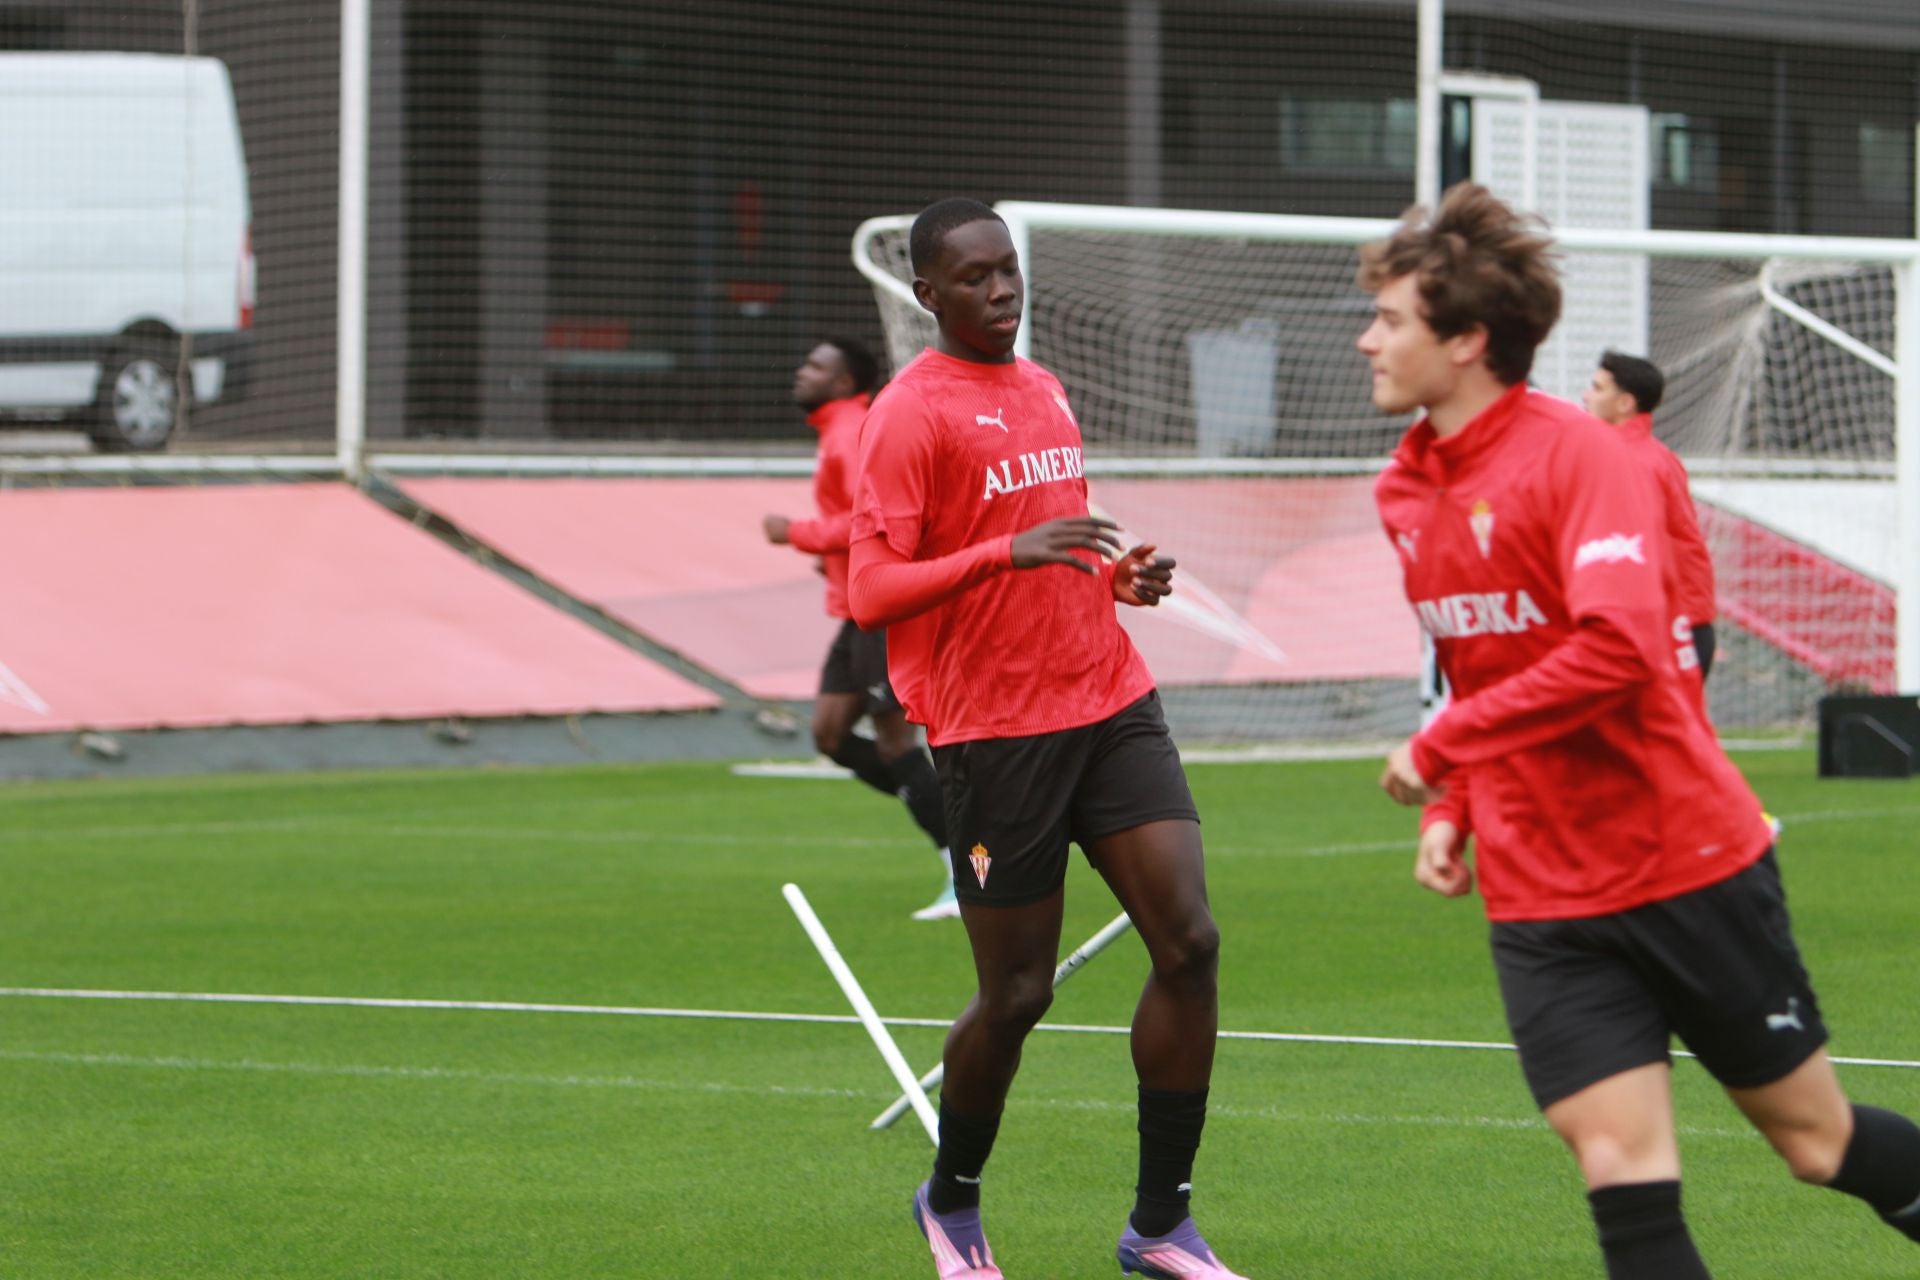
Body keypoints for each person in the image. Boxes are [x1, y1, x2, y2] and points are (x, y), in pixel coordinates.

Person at [1359, 182, 1920, 1279]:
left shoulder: (1583, 457)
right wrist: (1456, 806)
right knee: (1619, 1159)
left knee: (1815, 1142)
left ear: (1467, 341)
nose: (1367, 340)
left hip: (1682, 860)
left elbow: (1616, 649)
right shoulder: (1403, 490)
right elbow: (1483, 662)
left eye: (1390, 320)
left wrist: (1441, 748)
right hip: (1541, 893)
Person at [848, 198, 1246, 1280]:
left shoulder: (1046, 388)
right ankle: (950, 1199)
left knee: (1191, 942)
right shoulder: (908, 413)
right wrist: (1005, 553)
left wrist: (1115, 581)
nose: (1001, 290)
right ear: (927, 293)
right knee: (1020, 993)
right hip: (996, 734)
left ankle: (1161, 1225)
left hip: (1110, 700)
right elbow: (871, 588)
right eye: (974, 277)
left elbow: (1053, 553)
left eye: (1009, 271)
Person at [763, 336, 959, 921]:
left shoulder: (850, 430)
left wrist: (795, 533)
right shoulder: (836, 429)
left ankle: (965, 866)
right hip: (856, 609)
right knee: (829, 734)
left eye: (815, 365)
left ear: (845, 382)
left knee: (896, 742)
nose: (802, 371)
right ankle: (952, 811)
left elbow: (865, 518)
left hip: (883, 607)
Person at [1581, 350, 1719, 684]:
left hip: (1664, 630)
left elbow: (1630, 551)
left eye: (1597, 388)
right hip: (1680, 625)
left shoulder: (1626, 461)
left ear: (1625, 403)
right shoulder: (1656, 455)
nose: (1586, 396)